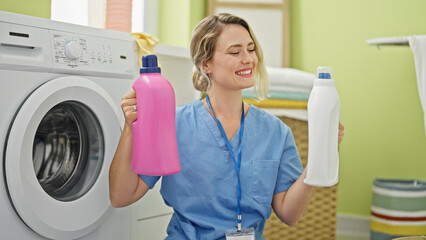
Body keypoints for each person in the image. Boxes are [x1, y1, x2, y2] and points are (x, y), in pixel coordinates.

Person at [109, 13, 345, 240]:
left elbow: (289, 214)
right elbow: (121, 196)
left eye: (251, 49)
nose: (249, 59)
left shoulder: (276, 131)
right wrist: (130, 128)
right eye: (235, 51)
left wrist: (318, 158)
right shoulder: (174, 124)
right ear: (205, 64)